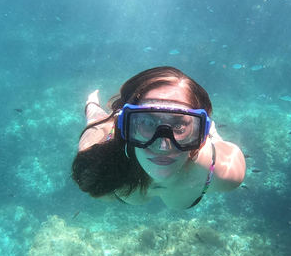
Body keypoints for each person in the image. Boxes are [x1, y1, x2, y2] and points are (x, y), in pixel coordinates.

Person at [71, 66, 246, 210]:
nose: (163, 146)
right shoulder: (97, 165)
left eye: (179, 125)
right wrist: (91, 104)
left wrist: (215, 138)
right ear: (125, 127)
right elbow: (95, 121)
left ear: (201, 132)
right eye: (148, 123)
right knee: (99, 118)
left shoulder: (226, 172)